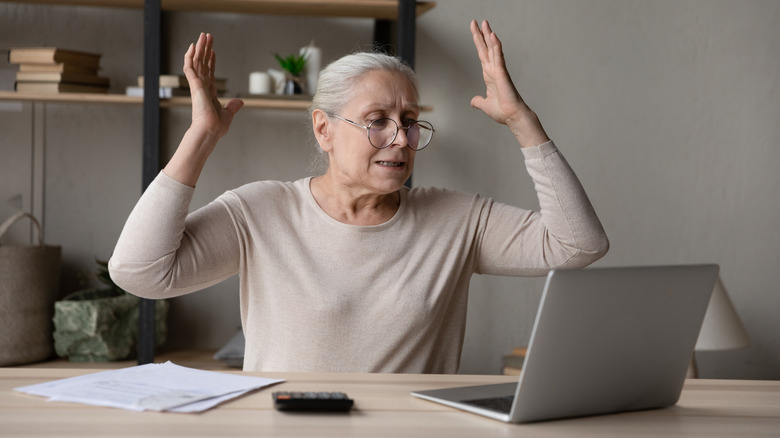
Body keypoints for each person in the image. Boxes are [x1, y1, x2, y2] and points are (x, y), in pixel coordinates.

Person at [109, 20, 609, 373]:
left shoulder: (456, 219)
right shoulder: (261, 212)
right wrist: (202, 136)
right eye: (377, 122)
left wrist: (524, 123)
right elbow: (140, 271)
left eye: (409, 122)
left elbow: (578, 244)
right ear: (323, 129)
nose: (399, 138)